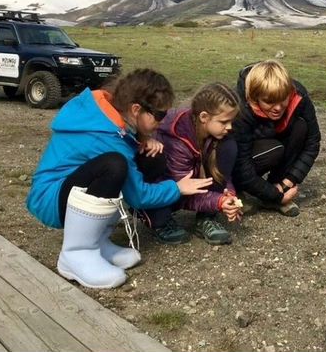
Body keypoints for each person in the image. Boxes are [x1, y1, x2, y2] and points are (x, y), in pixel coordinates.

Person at [26, 68, 212, 289]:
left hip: (62, 191)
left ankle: (98, 243)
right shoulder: (106, 137)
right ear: (136, 109)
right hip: (50, 199)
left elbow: (123, 141)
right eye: (159, 115)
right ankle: (76, 253)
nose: (161, 123)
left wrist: (142, 139)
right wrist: (177, 188)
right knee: (114, 165)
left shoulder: (105, 116)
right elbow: (138, 196)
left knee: (147, 158)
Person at [137, 82, 243, 245]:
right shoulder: (177, 140)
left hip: (184, 184)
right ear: (204, 117)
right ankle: (157, 219)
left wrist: (228, 194)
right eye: (224, 122)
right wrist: (218, 201)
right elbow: (184, 191)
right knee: (161, 214)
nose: (229, 127)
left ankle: (206, 218)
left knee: (229, 146)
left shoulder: (215, 132)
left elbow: (223, 175)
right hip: (164, 186)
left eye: (231, 121)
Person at [232, 60, 321, 217]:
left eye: (283, 99)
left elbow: (313, 143)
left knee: (301, 127)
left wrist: (287, 182)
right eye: (269, 101)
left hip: (271, 141)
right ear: (254, 97)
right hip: (242, 159)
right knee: (274, 151)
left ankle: (274, 188)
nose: (278, 108)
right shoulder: (240, 108)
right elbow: (241, 164)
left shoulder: (299, 95)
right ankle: (236, 190)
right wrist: (276, 195)